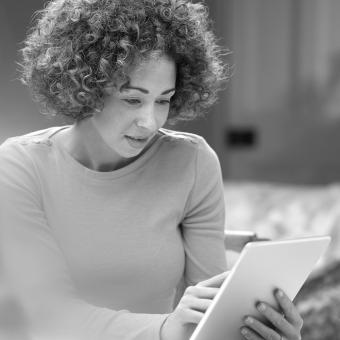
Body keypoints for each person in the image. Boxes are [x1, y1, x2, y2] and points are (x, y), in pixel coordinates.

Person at [0, 0, 303, 339]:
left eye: (163, 100)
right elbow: (48, 317)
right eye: (133, 99)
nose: (150, 122)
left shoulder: (192, 161)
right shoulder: (19, 167)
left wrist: (253, 328)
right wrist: (163, 329)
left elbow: (208, 316)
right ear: (87, 88)